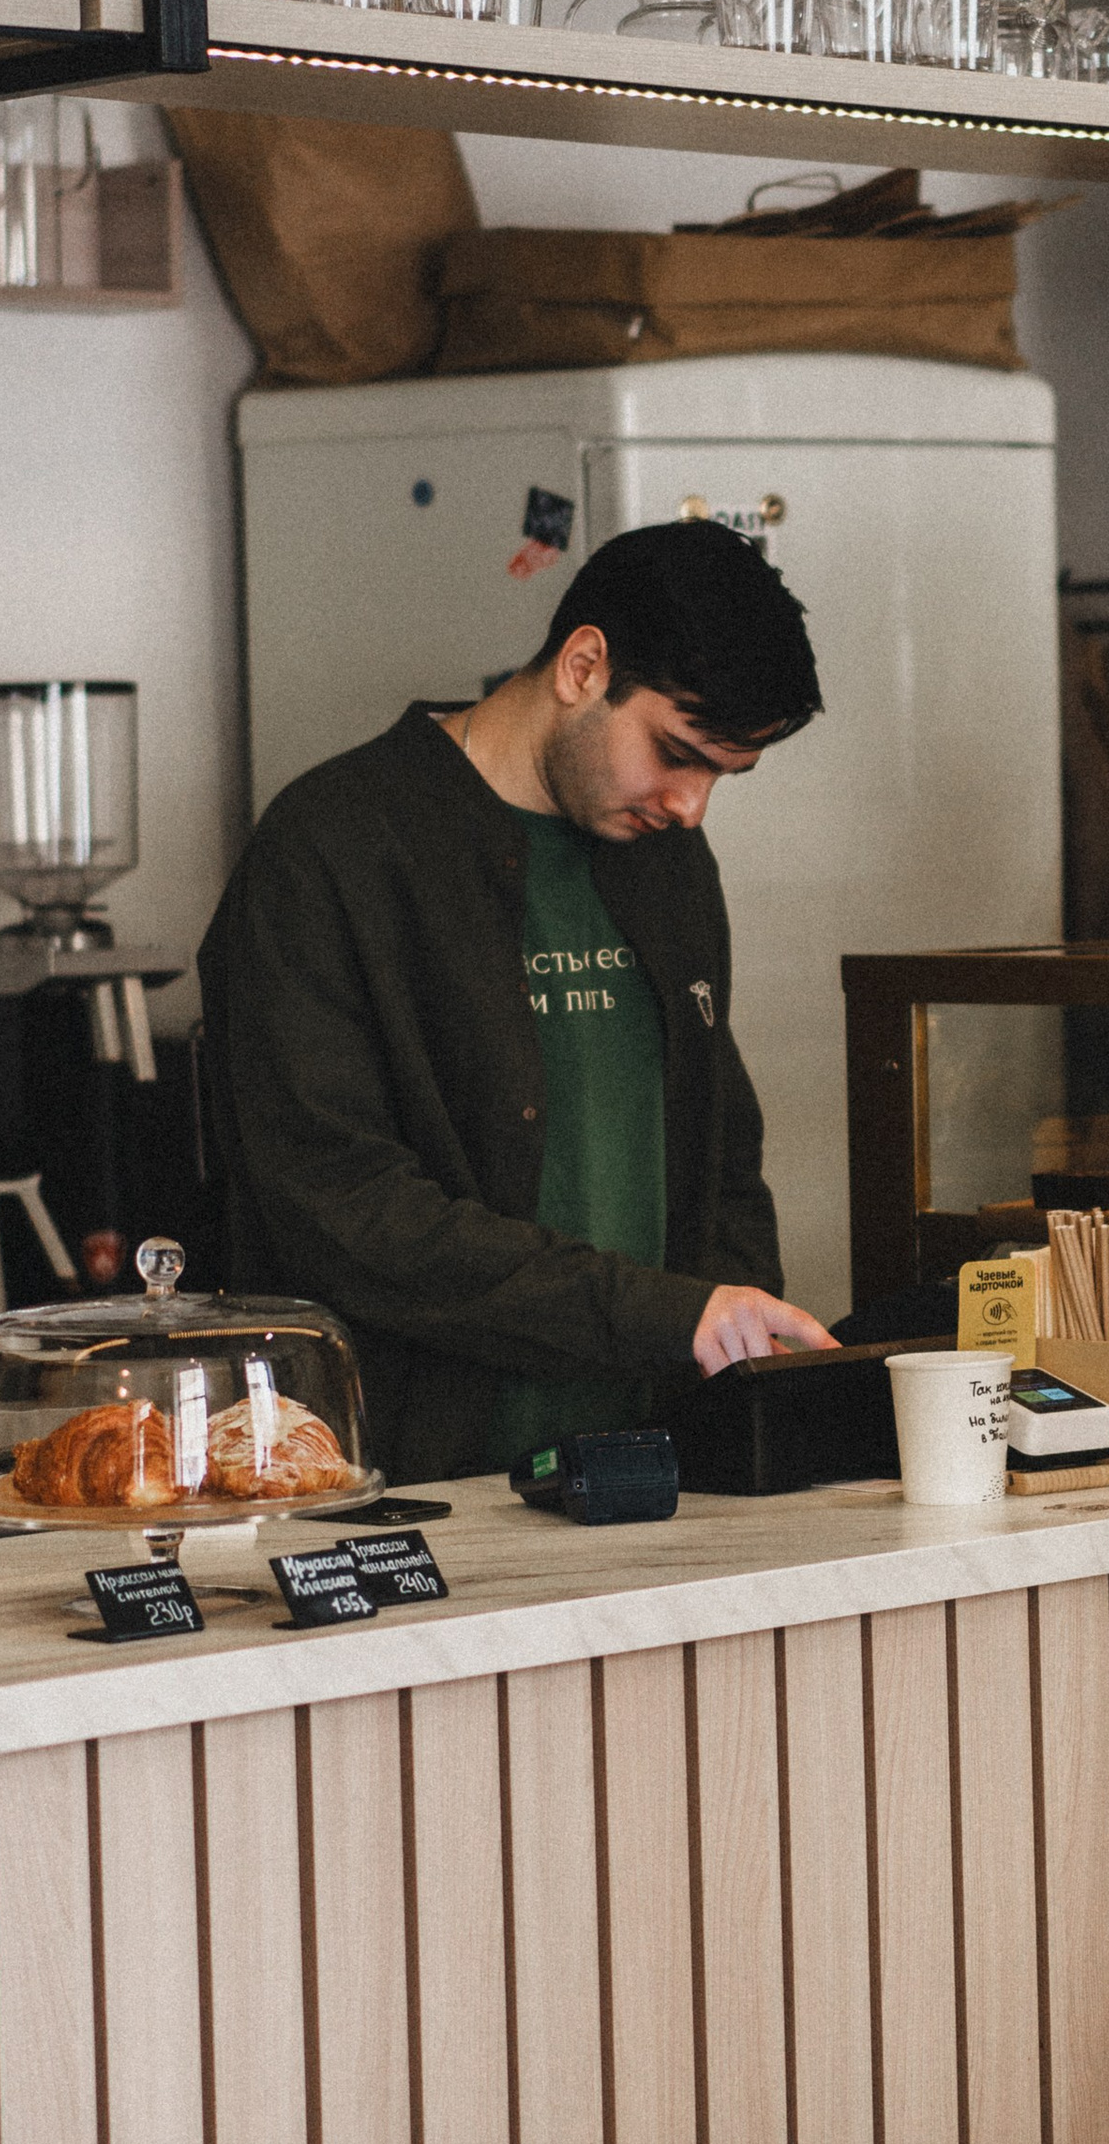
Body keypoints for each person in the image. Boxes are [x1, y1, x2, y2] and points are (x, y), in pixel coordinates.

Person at [199, 519, 836, 1487]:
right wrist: (663, 1314)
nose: (691, 805)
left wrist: (736, 1368)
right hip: (405, 1477)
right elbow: (342, 1207)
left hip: (658, 1463)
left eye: (723, 775)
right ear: (584, 665)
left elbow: (719, 1149)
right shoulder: (331, 846)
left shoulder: (664, 857)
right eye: (677, 752)